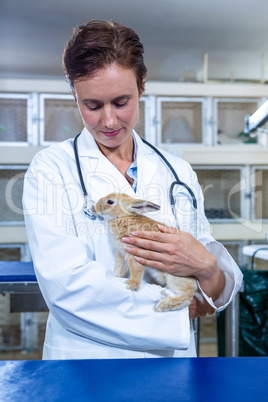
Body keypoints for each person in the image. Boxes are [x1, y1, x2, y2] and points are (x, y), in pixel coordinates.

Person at [23, 20, 243, 359]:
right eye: (92, 106)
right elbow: (67, 288)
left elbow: (212, 282)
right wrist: (180, 306)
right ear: (74, 94)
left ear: (142, 86)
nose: (109, 121)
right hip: (88, 363)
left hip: (172, 366)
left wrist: (210, 271)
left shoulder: (177, 172)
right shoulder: (51, 169)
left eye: (121, 101)